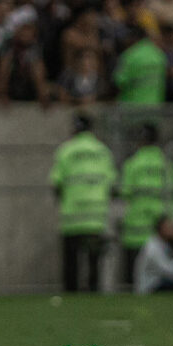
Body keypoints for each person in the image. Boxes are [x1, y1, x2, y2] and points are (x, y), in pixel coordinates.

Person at [49, 114, 117, 292]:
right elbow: (111, 182)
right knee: (94, 262)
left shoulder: (66, 150)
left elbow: (56, 183)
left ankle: (70, 297)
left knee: (71, 263)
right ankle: (93, 294)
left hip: (71, 216)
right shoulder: (102, 151)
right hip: (95, 217)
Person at [120, 123, 173, 287]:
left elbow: (125, 192)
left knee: (133, 281)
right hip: (160, 232)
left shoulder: (132, 164)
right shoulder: (167, 164)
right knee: (158, 280)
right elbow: (170, 192)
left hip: (135, 232)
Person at [112, 25, 167, 104]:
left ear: (133, 38)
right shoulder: (159, 55)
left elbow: (118, 82)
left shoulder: (130, 55)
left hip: (131, 106)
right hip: (155, 106)